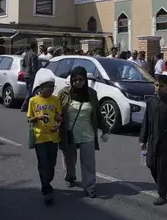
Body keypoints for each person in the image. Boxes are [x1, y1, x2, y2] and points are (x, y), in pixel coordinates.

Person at [58, 67, 110, 198]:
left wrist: (105, 129)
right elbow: (56, 112)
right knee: (69, 159)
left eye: (80, 79)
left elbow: (97, 114)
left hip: (87, 133)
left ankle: (90, 186)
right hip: (69, 132)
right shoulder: (64, 93)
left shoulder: (91, 93)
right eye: (74, 80)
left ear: (85, 80)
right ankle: (70, 178)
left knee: (88, 162)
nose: (77, 82)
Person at [140, 74, 167, 205]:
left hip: (165, 141)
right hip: (152, 138)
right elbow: (146, 121)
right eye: (156, 85)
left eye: (161, 86)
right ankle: (161, 186)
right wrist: (143, 139)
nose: (158, 88)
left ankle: (162, 194)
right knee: (151, 164)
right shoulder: (151, 101)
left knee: (163, 168)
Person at [27, 74, 62, 205]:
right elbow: (29, 118)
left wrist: (58, 124)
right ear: (41, 87)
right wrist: (37, 118)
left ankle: (47, 180)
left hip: (53, 137)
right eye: (49, 87)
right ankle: (46, 189)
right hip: (39, 137)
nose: (51, 89)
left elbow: (59, 117)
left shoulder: (55, 99)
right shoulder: (33, 101)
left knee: (51, 163)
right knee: (43, 162)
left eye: (53, 87)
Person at [21, 42, 40, 112]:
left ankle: (28, 106)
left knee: (28, 90)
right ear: (35, 47)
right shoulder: (34, 55)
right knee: (30, 91)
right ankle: (24, 106)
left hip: (25, 73)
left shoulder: (26, 54)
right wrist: (35, 73)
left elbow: (23, 64)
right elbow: (33, 65)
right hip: (31, 74)